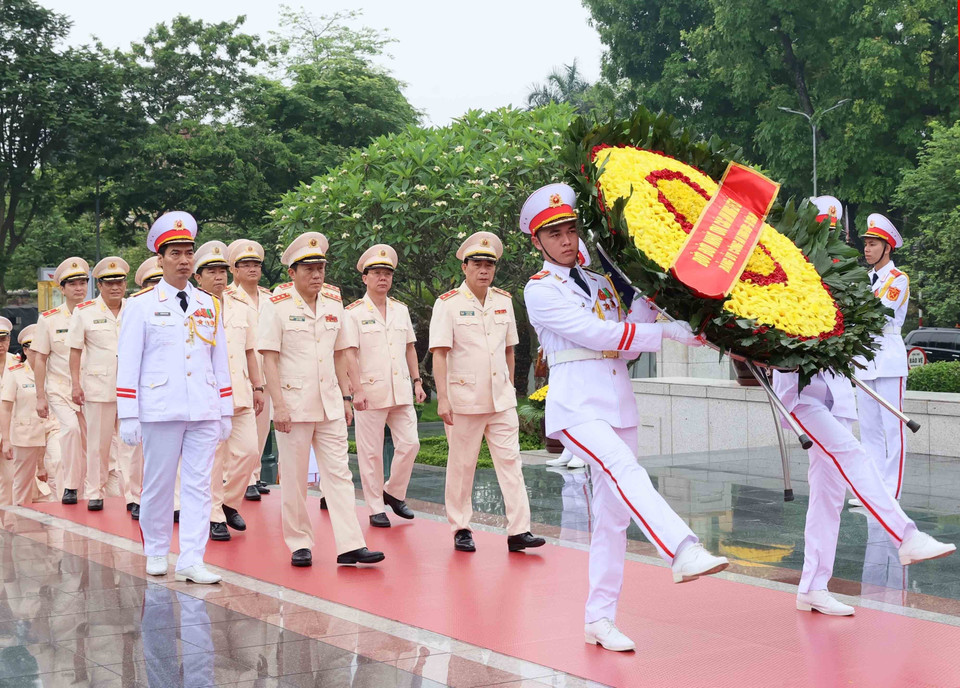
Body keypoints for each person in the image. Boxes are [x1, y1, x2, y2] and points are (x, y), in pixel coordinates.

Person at [521, 183, 729, 652]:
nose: (566, 240)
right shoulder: (540, 290)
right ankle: (682, 549)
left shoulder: (601, 282)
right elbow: (596, 334)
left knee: (613, 519)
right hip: (577, 405)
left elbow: (629, 335)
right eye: (554, 234)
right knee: (624, 469)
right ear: (537, 242)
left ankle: (598, 619)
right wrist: (666, 334)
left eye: (570, 229)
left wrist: (652, 299)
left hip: (618, 402)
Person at [772, 368, 954, 615]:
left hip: (838, 399)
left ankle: (812, 587)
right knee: (853, 456)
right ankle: (905, 535)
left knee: (828, 496)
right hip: (801, 396)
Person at [116, 211, 233, 584]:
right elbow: (129, 361)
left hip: (203, 407)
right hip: (160, 408)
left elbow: (219, 359)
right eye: (176, 253)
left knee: (199, 486)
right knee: (159, 484)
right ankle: (155, 549)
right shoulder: (140, 304)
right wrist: (128, 413)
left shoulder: (208, 303)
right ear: (160, 259)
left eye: (188, 253)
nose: (184, 260)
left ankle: (191, 559)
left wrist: (225, 409)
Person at [258, 231, 384, 568]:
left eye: (321, 268)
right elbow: (268, 358)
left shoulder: (332, 302)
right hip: (293, 405)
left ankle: (351, 544)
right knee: (295, 477)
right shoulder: (277, 305)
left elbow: (340, 353)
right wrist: (278, 405)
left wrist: (347, 396)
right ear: (292, 272)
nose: (316, 275)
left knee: (340, 474)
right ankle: (299, 542)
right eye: (309, 269)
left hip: (329, 403)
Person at [429, 231, 545, 554]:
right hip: (464, 400)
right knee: (462, 466)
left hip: (501, 399)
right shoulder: (448, 304)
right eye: (477, 264)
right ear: (464, 267)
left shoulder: (503, 301)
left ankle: (519, 530)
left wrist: (509, 385)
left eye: (489, 265)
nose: (484, 270)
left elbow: (509, 349)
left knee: (511, 463)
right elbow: (440, 353)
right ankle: (461, 527)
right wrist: (443, 398)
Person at [342, 244, 424, 528]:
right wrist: (356, 389)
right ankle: (375, 507)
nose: (382, 278)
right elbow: (349, 353)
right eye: (376, 273)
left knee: (411, 443)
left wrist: (417, 381)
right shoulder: (353, 313)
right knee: (371, 453)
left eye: (387, 273)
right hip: (370, 391)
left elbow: (410, 347)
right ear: (365, 278)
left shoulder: (401, 310)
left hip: (400, 389)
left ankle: (393, 491)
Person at [193, 241, 265, 542]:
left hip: (240, 392)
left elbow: (250, 351)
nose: (219, 276)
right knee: (214, 459)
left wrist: (258, 386)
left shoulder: (240, 307)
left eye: (222, 271)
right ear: (198, 277)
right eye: (211, 271)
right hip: (207, 396)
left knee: (249, 452)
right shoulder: (191, 309)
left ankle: (229, 502)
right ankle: (214, 516)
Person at [66, 257, 134, 512]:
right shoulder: (85, 312)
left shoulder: (134, 309)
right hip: (98, 388)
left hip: (130, 388)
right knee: (97, 445)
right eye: (109, 283)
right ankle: (95, 492)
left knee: (131, 445)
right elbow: (75, 351)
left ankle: (134, 496)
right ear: (100, 285)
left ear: (125, 284)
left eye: (119, 282)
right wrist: (75, 384)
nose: (115, 287)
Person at [851, 214, 910, 504]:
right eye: (866, 244)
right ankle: (872, 492)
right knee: (869, 430)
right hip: (865, 360)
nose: (867, 249)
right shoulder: (864, 279)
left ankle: (891, 493)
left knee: (893, 429)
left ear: (887, 248)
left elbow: (879, 314)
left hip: (888, 360)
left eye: (873, 244)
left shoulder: (898, 279)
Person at [33, 257, 89, 505]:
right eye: (72, 284)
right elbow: (40, 358)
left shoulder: (95, 314)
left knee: (89, 443)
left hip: (90, 390)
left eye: (82, 283)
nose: (78, 288)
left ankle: (87, 491)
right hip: (60, 390)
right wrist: (40, 397)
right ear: (62, 289)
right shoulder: (49, 319)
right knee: (71, 430)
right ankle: (70, 486)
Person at [225, 239, 275, 501]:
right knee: (240, 431)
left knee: (261, 427)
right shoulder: (227, 297)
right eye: (245, 264)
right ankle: (240, 479)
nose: (252, 268)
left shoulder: (270, 298)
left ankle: (254, 475)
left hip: (267, 371)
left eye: (256, 264)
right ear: (234, 269)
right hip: (240, 372)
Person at [544, 239, 591, 471]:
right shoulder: (551, 284)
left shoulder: (588, 285)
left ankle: (581, 451)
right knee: (564, 405)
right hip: (563, 358)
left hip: (583, 358)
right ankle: (569, 449)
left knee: (581, 408)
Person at [1, 326, 50, 505]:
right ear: (25, 349)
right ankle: (11, 520)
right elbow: (6, 406)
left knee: (56, 471)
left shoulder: (16, 363)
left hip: (37, 429)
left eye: (3, 339)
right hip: (20, 433)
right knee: (11, 482)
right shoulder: (16, 370)